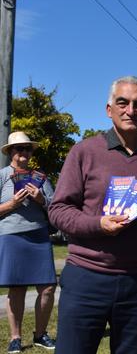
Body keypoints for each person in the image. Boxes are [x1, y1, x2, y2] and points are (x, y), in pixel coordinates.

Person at [48, 76, 137, 354]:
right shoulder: (84, 152)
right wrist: (98, 224)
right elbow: (58, 210)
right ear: (109, 110)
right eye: (123, 102)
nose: (131, 110)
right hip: (86, 276)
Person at [0, 132, 56, 353]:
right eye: (18, 148)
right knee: (17, 289)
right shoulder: (2, 176)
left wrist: (41, 199)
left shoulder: (41, 177)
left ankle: (40, 334)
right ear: (11, 152)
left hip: (39, 237)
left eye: (27, 148)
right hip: (11, 236)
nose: (23, 152)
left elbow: (56, 208)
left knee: (48, 288)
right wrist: (12, 204)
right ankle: (15, 338)